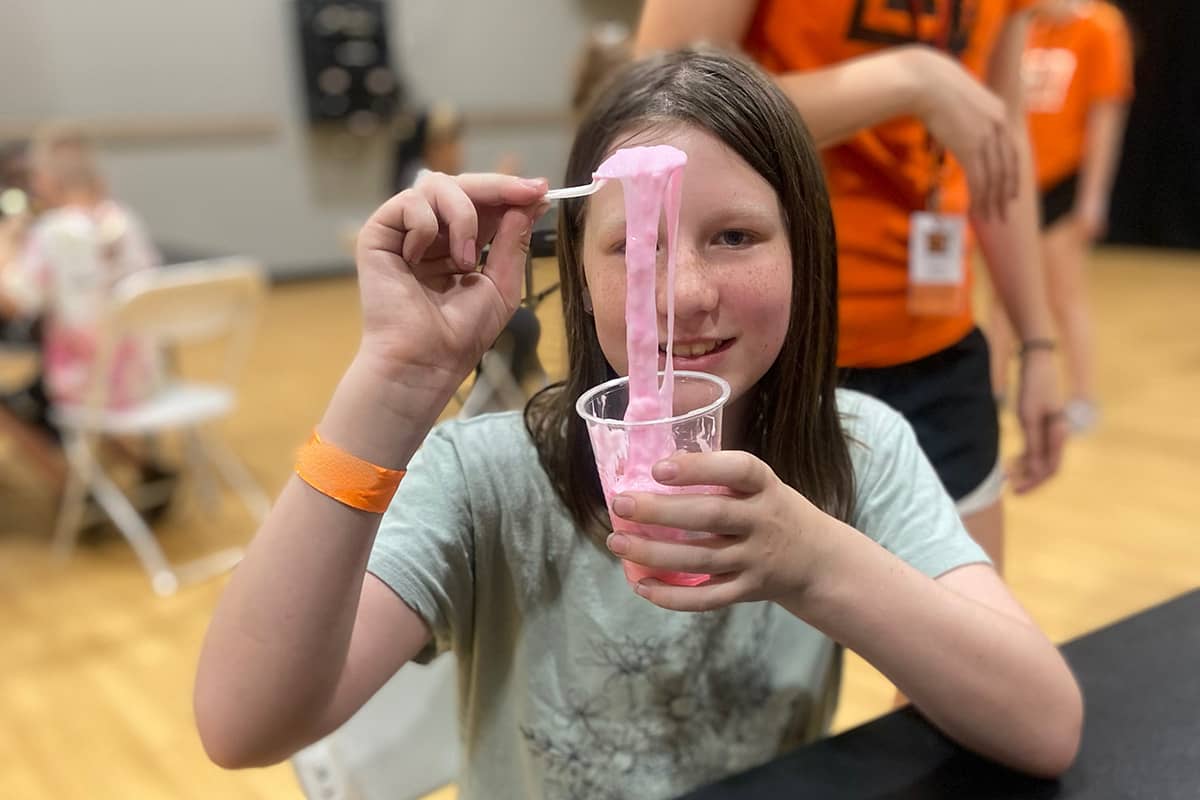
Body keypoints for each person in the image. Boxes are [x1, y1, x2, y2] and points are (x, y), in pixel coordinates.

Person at [194, 50, 1082, 798]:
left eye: (736, 237)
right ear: (576, 270)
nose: (688, 296)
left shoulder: (862, 451)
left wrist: (815, 563)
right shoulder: (487, 480)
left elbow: (1045, 724)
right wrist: (389, 383)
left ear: (805, 252)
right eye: (635, 247)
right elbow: (243, 723)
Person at [636, 0, 1068, 574]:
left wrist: (1038, 342)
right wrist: (907, 80)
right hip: (760, 362)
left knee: (965, 642)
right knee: (763, 655)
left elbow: (1000, 144)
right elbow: (659, 94)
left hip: (936, 353)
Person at [988, 0, 1134, 433]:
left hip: (1062, 183)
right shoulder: (1023, 23)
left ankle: (1083, 397)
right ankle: (996, 389)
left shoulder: (1100, 27)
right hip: (1017, 183)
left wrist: (1093, 199)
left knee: (1064, 295)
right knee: (1001, 298)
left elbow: (1105, 118)